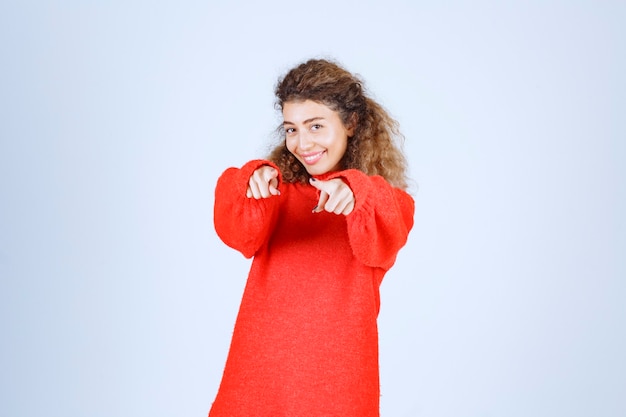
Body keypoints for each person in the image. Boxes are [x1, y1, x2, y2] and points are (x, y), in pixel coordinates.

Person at [209, 58, 415, 417]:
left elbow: (386, 223)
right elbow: (235, 228)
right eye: (291, 129)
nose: (302, 143)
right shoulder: (277, 193)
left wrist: (356, 190)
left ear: (351, 124)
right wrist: (251, 180)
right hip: (258, 382)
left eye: (315, 126)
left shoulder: (384, 203)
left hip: (338, 387)